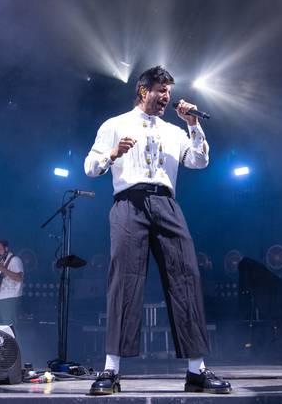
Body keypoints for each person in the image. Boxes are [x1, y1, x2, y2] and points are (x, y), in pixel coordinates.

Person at [83, 65, 231, 395]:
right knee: (124, 281)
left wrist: (193, 125)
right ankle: (111, 371)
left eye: (169, 91)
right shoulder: (114, 125)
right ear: (142, 90)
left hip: (166, 203)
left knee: (186, 277)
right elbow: (90, 168)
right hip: (128, 203)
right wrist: (112, 153)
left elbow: (199, 161)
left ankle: (197, 371)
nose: (166, 97)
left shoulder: (174, 131)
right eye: (160, 90)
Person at [0, 239, 24, 327]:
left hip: (10, 298)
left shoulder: (15, 259)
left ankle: (14, 341)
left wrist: (2, 269)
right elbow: (5, 280)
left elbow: (19, 278)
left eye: (0, 250)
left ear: (6, 248)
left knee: (10, 328)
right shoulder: (2, 262)